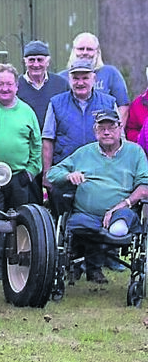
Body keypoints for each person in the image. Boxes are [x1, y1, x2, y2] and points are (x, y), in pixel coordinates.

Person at [46, 109, 148, 284]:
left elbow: (144, 187)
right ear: (95, 131)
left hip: (122, 211)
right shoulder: (84, 152)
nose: (106, 132)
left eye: (111, 127)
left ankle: (95, 265)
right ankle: (83, 266)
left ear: (120, 128)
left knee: (118, 230)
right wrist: (69, 175)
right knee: (78, 226)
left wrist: (120, 206)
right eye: (102, 128)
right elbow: (52, 173)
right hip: (86, 214)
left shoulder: (135, 152)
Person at [0, 64, 41, 280]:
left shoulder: (27, 112)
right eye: (1, 84)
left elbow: (37, 145)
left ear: (17, 87)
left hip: (18, 177)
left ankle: (15, 262)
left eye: (9, 84)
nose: (5, 88)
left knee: (17, 221)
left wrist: (30, 172)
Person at [42, 59, 118, 219]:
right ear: (69, 79)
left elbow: (118, 139)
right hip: (66, 173)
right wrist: (47, 174)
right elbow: (48, 140)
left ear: (94, 78)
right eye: (76, 78)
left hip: (100, 174)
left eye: (85, 78)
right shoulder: (56, 103)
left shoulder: (109, 102)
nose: (80, 82)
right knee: (62, 218)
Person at [58, 32, 129, 122]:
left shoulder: (111, 73)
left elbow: (123, 107)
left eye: (89, 49)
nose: (85, 52)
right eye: (81, 49)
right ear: (73, 50)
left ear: (97, 52)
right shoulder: (61, 77)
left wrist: (116, 128)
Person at [16, 40, 69, 131]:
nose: (36, 64)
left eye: (40, 60)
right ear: (25, 62)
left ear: (47, 62)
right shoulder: (16, 85)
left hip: (54, 136)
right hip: (25, 136)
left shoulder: (61, 84)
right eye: (31, 60)